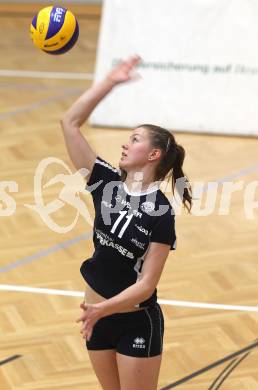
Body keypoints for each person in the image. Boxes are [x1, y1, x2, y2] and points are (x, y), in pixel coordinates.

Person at [61, 55, 192, 390]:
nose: (125, 142)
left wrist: (103, 309)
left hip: (134, 322)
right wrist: (110, 82)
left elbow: (146, 285)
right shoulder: (105, 183)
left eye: (135, 139)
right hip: (97, 315)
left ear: (153, 155)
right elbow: (70, 122)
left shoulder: (161, 213)